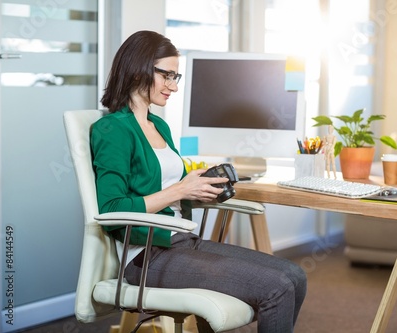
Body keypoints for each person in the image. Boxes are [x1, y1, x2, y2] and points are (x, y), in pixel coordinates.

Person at [90, 30, 307, 333]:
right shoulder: (112, 129)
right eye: (167, 75)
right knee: (278, 287)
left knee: (295, 275)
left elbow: (170, 194)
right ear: (138, 67)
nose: (173, 87)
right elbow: (112, 211)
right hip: (146, 257)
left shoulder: (159, 126)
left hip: (181, 243)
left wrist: (200, 191)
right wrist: (179, 189)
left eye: (175, 78)